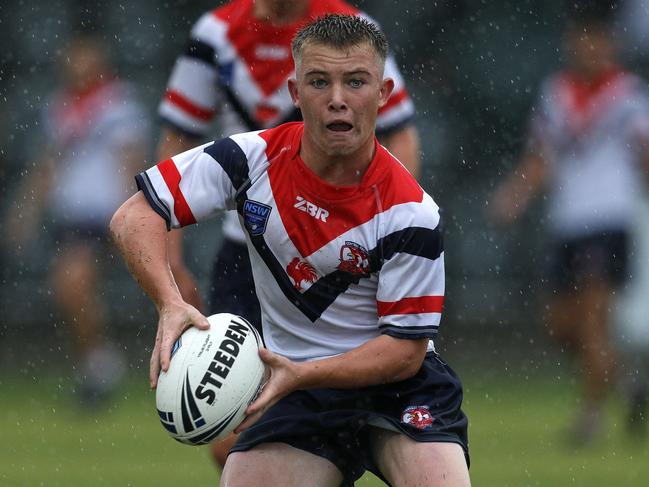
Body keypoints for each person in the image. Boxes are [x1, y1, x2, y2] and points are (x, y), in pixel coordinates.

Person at [111, 14, 470, 486]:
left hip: (397, 389)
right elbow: (134, 216)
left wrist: (304, 372)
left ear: (382, 95)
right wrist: (169, 302)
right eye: (319, 82)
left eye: (356, 82)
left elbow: (404, 352)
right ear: (295, 93)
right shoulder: (248, 159)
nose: (338, 100)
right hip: (296, 389)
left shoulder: (412, 212)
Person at [155, 0, 421, 465]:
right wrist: (171, 261)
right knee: (230, 433)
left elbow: (401, 134)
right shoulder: (215, 33)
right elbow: (178, 136)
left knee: (364, 409)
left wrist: (391, 231)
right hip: (249, 256)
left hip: (343, 257)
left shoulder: (352, 31)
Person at [490, 6, 649, 443]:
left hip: (609, 219)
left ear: (611, 45)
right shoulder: (557, 92)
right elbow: (541, 156)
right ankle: (628, 384)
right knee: (561, 325)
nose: (590, 49)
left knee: (593, 319)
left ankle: (591, 418)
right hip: (567, 223)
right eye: (583, 40)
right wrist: (516, 194)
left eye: (597, 41)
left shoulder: (629, 95)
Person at [6, 33, 148, 406]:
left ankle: (100, 364)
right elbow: (47, 166)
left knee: (70, 281)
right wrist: (25, 212)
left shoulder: (117, 103)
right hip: (72, 216)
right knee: (70, 288)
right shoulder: (60, 107)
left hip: (105, 215)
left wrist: (134, 216)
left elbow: (131, 162)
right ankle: (97, 364)